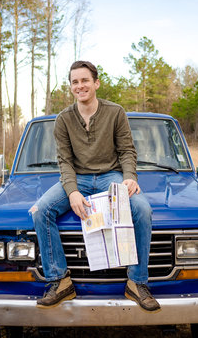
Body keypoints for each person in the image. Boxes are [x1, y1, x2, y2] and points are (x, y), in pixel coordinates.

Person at [30, 61, 160, 312]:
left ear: (96, 83)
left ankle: (136, 282)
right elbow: (64, 161)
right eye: (75, 82)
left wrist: (129, 176)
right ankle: (59, 280)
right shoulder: (63, 119)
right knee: (42, 209)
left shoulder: (115, 112)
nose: (80, 86)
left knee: (142, 209)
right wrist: (73, 192)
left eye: (85, 80)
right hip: (77, 177)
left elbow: (126, 150)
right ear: (71, 87)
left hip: (110, 176)